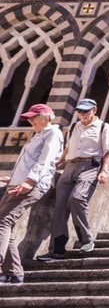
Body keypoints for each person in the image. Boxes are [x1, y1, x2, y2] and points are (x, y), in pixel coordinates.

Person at [36, 98, 109, 261]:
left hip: (89, 167)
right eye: (80, 111)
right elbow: (68, 147)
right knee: (60, 207)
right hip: (69, 168)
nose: (82, 114)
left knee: (77, 198)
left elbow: (108, 151)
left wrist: (104, 171)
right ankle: (56, 249)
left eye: (86, 111)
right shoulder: (74, 126)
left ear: (95, 110)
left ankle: (86, 240)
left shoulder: (103, 127)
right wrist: (60, 161)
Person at [0, 104, 63, 284]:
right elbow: (28, 161)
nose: (30, 121)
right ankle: (14, 273)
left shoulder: (53, 133)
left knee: (3, 221)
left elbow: (46, 160)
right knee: (6, 224)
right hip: (17, 184)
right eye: (29, 118)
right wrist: (13, 177)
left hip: (31, 186)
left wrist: (29, 181)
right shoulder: (39, 134)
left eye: (33, 117)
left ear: (46, 116)